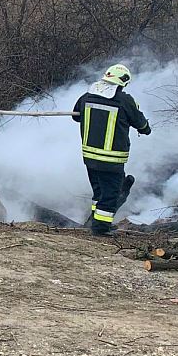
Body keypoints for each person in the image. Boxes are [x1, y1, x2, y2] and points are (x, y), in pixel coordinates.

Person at [72, 63, 151, 236]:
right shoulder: (124, 100)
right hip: (111, 159)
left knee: (98, 192)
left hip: (90, 157)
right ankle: (101, 229)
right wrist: (145, 129)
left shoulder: (86, 96)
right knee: (110, 195)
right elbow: (142, 124)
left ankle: (95, 221)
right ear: (123, 82)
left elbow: (75, 116)